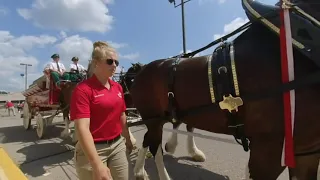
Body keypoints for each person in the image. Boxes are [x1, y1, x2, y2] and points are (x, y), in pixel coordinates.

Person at [70, 41, 134, 180]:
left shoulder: (118, 87)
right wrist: (96, 164)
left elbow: (121, 115)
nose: (115, 65)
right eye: (110, 61)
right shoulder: (83, 90)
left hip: (117, 145)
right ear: (96, 63)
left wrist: (128, 140)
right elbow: (82, 128)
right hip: (94, 149)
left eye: (117, 62)